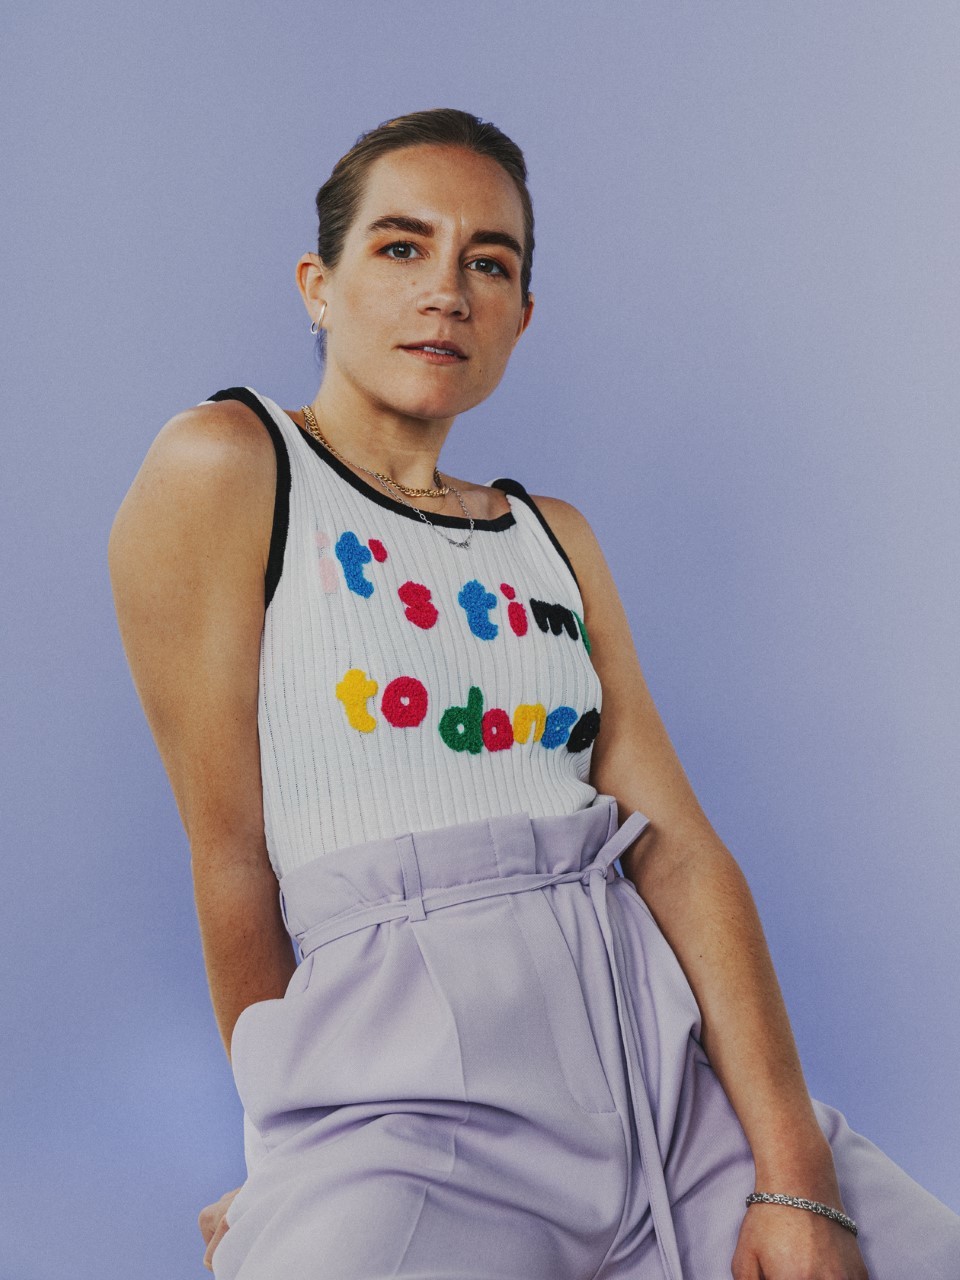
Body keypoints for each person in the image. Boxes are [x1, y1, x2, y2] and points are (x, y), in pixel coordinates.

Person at [108, 109, 960, 1280]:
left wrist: (791, 1170)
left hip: (658, 1078)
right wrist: (284, 1148)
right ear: (319, 283)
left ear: (520, 315)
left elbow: (681, 854)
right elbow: (231, 851)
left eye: (489, 261)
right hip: (406, 1111)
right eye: (402, 247)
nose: (447, 290)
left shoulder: (554, 537)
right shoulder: (230, 464)